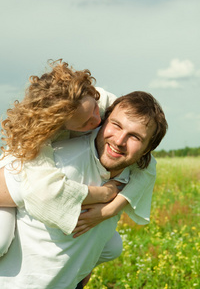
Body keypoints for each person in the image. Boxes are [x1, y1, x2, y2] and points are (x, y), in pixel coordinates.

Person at [0, 91, 168, 289]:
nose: (119, 141)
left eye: (135, 137)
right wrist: (106, 194)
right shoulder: (55, 163)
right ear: (104, 121)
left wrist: (84, 265)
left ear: (147, 150)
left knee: (113, 246)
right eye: (116, 125)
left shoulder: (133, 175)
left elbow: (149, 169)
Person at [0, 59, 158, 255]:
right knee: (1, 239)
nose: (97, 120)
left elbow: (147, 164)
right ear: (58, 127)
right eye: (84, 124)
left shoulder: (102, 101)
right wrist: (104, 194)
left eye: (93, 110)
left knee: (111, 246)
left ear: (91, 92)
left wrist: (112, 208)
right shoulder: (40, 143)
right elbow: (45, 193)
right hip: (9, 186)